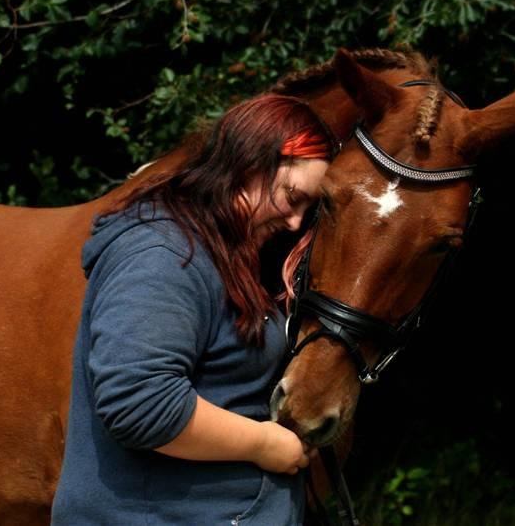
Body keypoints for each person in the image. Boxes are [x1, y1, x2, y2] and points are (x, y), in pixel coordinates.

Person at [51, 94, 336, 525]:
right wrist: (263, 444)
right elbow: (141, 404)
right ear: (248, 161)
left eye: (306, 209)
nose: (295, 221)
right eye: (291, 196)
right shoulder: (162, 255)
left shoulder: (229, 253)